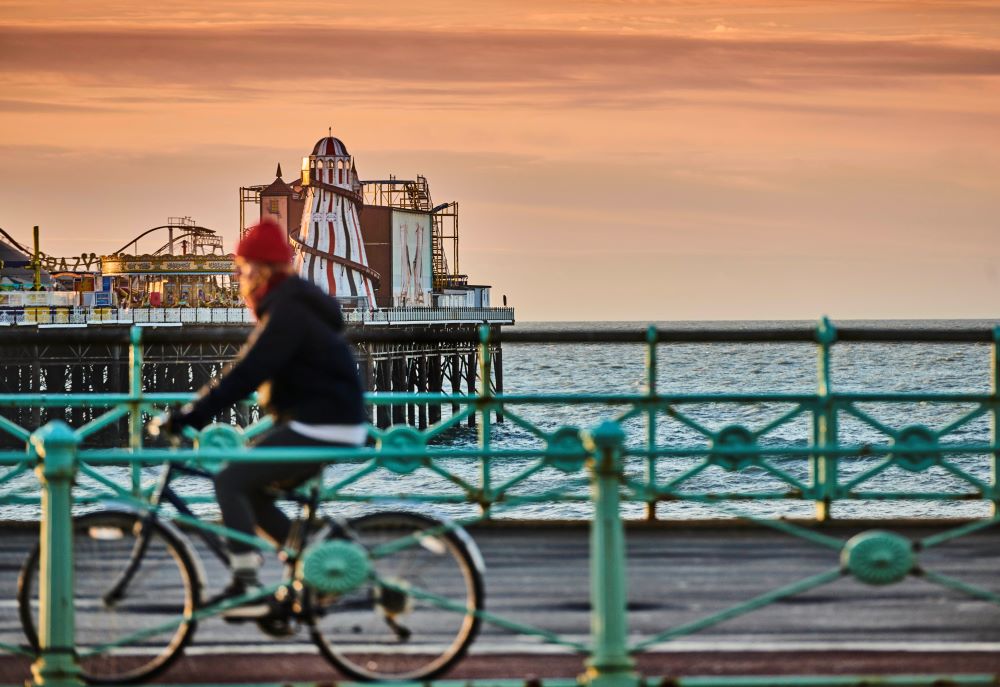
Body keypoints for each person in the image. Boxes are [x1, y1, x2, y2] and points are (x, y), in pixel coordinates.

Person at [161, 218, 368, 617]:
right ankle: (310, 562)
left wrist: (192, 415)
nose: (238, 278)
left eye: (242, 269)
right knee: (250, 490)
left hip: (321, 423)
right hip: (319, 419)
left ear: (263, 270)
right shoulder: (291, 304)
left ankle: (246, 582)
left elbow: (248, 370)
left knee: (230, 477)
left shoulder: (288, 311)